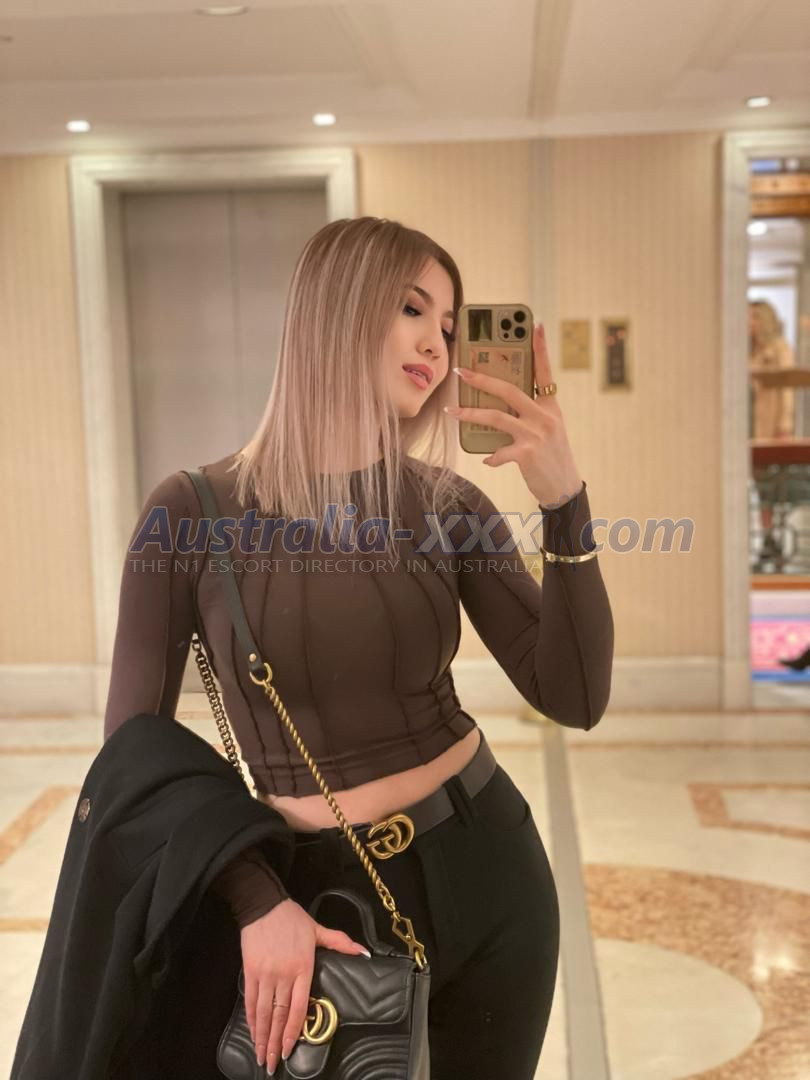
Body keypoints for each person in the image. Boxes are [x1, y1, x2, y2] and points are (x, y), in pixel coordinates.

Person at [103, 215, 614, 1079]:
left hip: (491, 871)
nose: (438, 345)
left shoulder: (449, 505)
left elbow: (575, 695)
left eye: (448, 325)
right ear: (334, 309)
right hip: (312, 905)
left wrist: (564, 503)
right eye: (412, 309)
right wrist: (254, 900)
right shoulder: (189, 512)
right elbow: (132, 753)